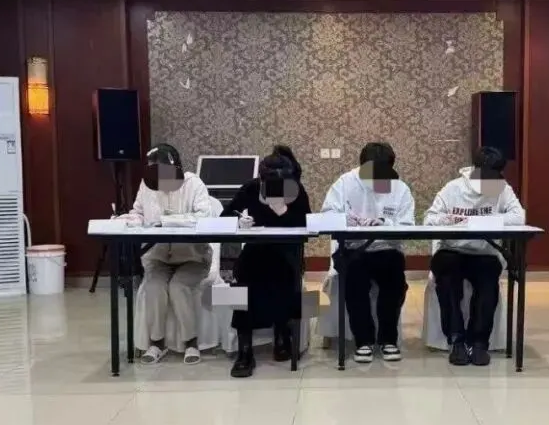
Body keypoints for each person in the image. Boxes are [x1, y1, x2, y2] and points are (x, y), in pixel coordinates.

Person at [425, 146, 525, 367]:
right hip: (452, 250)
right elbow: (430, 218)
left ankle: (479, 342)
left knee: (488, 282)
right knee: (447, 280)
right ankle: (456, 339)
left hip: (484, 252)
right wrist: (449, 220)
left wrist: (487, 221)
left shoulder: (502, 189)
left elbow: (519, 217)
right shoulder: (453, 188)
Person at [221, 145, 312, 378]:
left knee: (283, 276)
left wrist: (283, 212)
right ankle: (245, 350)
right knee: (244, 280)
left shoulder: (296, 191)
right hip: (256, 250)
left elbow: (307, 224)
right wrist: (239, 222)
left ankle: (282, 335)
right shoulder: (251, 188)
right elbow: (226, 215)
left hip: (286, 252)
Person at [321, 142, 414, 363]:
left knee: (394, 282)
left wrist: (384, 223)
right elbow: (327, 215)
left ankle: (388, 339)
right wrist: (347, 220)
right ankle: (363, 341)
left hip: (386, 248)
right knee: (354, 281)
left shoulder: (400, 188)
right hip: (353, 249)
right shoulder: (345, 183)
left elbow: (407, 225)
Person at [122, 144, 214, 365]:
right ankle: (157, 343)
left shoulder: (194, 184)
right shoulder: (147, 184)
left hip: (192, 257)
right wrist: (130, 220)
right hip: (158, 256)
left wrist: (167, 221)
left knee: (178, 286)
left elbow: (204, 217)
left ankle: (191, 342)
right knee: (154, 286)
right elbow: (138, 212)